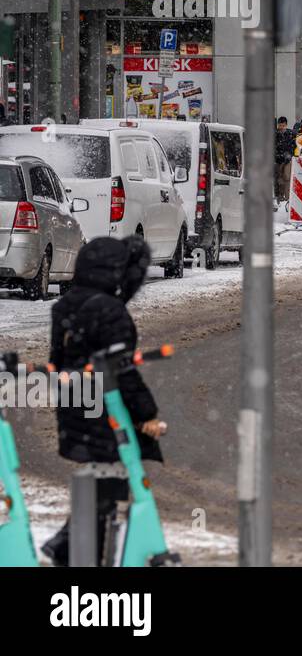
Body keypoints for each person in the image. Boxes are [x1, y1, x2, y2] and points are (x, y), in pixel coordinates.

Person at [42, 236, 166, 566]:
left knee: (99, 485)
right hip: (107, 411)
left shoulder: (65, 305)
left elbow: (59, 361)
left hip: (75, 404)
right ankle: (74, 549)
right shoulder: (110, 312)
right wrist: (147, 413)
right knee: (107, 485)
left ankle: (73, 547)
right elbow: (121, 372)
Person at [274, 116, 295, 202]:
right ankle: (279, 196)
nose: (281, 127)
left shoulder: (291, 134)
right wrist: (277, 155)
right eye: (280, 125)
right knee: (278, 178)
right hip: (277, 160)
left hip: (287, 160)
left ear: (286, 125)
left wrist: (290, 155)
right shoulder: (274, 134)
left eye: (283, 125)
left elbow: (294, 145)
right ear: (278, 125)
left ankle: (287, 198)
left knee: (287, 177)